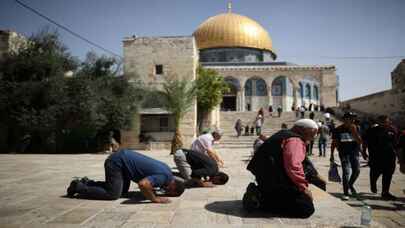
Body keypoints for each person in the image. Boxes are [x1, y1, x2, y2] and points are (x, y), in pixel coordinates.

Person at [243, 119, 319, 218]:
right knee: (306, 208)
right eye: (313, 133)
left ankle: (261, 194)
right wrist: (303, 187)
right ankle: (260, 201)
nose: (314, 137)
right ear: (303, 129)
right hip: (276, 182)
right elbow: (293, 166)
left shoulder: (282, 134)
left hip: (266, 180)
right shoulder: (295, 140)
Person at [66, 149, 185, 203]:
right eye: (169, 193)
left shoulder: (168, 172)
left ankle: (87, 183)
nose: (165, 193)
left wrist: (151, 191)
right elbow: (143, 184)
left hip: (123, 162)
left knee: (121, 191)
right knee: (113, 194)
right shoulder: (163, 178)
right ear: (173, 188)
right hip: (116, 163)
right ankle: (78, 187)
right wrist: (154, 199)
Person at [362, 115, 398, 200]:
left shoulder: (392, 130)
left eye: (386, 121)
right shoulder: (371, 130)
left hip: (389, 157)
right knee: (375, 173)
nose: (385, 123)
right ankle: (373, 183)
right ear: (378, 122)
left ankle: (385, 192)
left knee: (388, 174)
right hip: (375, 157)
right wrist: (364, 152)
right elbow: (365, 141)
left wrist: (398, 156)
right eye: (383, 122)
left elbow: (395, 144)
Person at [330, 112, 362, 200]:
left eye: (353, 118)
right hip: (344, 153)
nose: (352, 120)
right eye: (350, 118)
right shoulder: (338, 129)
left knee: (357, 170)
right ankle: (346, 192)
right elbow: (334, 143)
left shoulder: (356, 128)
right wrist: (332, 154)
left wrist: (354, 132)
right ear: (345, 119)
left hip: (354, 153)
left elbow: (359, 142)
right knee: (346, 172)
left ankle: (350, 184)